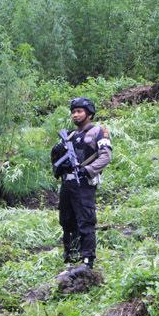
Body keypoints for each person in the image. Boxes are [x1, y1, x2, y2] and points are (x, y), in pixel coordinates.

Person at [50, 97, 112, 268]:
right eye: (73, 112)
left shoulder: (98, 131)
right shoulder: (70, 135)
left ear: (89, 114)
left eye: (79, 111)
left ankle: (87, 260)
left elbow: (106, 156)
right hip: (67, 183)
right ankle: (71, 257)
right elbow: (56, 160)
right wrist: (57, 154)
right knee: (67, 220)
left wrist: (87, 170)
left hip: (84, 183)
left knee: (85, 220)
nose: (75, 115)